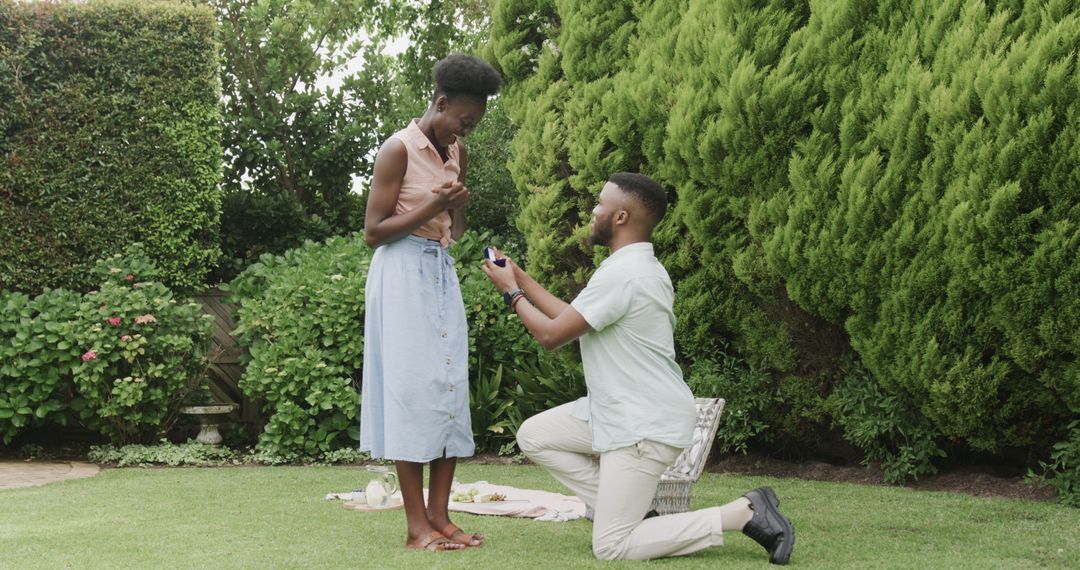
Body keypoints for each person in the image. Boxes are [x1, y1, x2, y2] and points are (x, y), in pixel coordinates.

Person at [481, 172, 796, 564]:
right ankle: (636, 514)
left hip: (642, 422)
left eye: (600, 204)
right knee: (536, 435)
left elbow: (550, 335)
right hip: (618, 410)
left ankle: (741, 513)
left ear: (620, 217)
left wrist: (510, 292)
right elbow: (570, 321)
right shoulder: (633, 269)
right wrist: (520, 277)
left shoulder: (624, 274)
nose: (593, 211)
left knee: (612, 547)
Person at [360, 53, 501, 552]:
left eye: (473, 124)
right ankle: (416, 525)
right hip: (399, 274)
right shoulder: (396, 150)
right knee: (411, 391)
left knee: (447, 386)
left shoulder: (457, 152)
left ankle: (441, 517)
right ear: (440, 103)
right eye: (463, 120)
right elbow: (373, 233)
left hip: (438, 272)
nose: (465, 131)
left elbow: (453, 233)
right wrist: (433, 204)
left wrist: (456, 209)